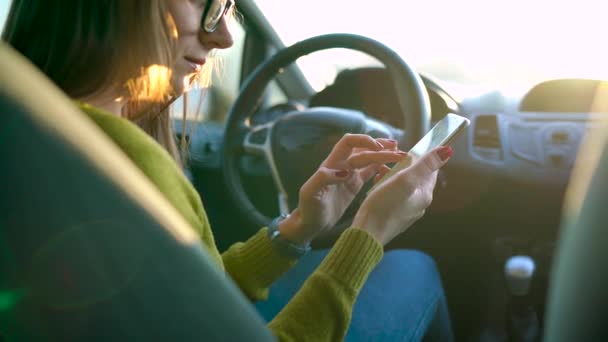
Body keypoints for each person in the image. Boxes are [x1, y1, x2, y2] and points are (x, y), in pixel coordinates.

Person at [2, 0, 454, 340]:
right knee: (415, 267)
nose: (224, 39)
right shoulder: (126, 163)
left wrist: (297, 227)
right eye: (205, 4)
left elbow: (192, 294)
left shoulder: (34, 138)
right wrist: (371, 230)